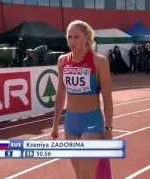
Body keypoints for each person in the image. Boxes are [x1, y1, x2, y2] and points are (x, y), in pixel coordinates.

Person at [50, 20, 114, 179]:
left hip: (92, 122)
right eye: (69, 37)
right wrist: (55, 125)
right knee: (80, 174)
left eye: (76, 37)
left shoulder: (99, 62)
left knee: (87, 174)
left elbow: (107, 96)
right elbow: (60, 94)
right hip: (71, 122)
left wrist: (108, 127)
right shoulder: (62, 61)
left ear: (86, 37)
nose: (72, 41)